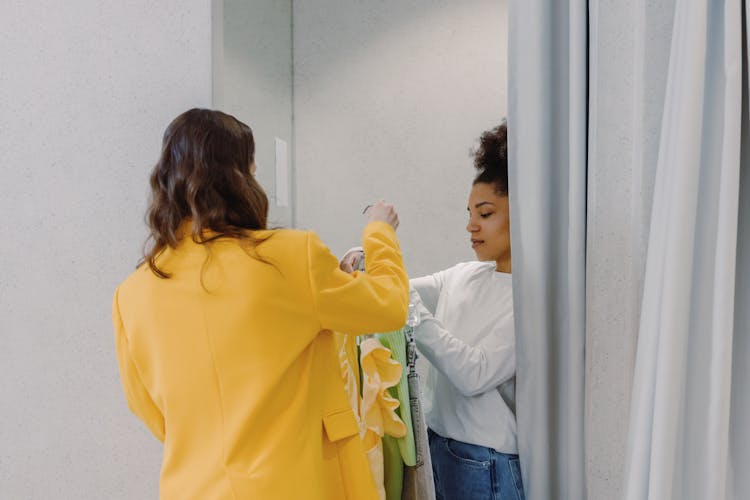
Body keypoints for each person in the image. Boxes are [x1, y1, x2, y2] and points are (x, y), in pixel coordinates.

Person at [112, 108, 409, 499]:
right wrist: (379, 232)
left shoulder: (133, 293)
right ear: (241, 177)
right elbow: (388, 306)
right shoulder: (288, 257)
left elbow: (150, 411)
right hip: (296, 484)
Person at [341, 121, 524, 500]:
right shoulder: (466, 274)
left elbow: (474, 373)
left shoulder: (529, 298)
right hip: (441, 446)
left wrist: (406, 308)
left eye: (486, 214)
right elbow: (396, 289)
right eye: (470, 213)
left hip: (487, 462)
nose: (471, 225)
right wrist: (363, 264)